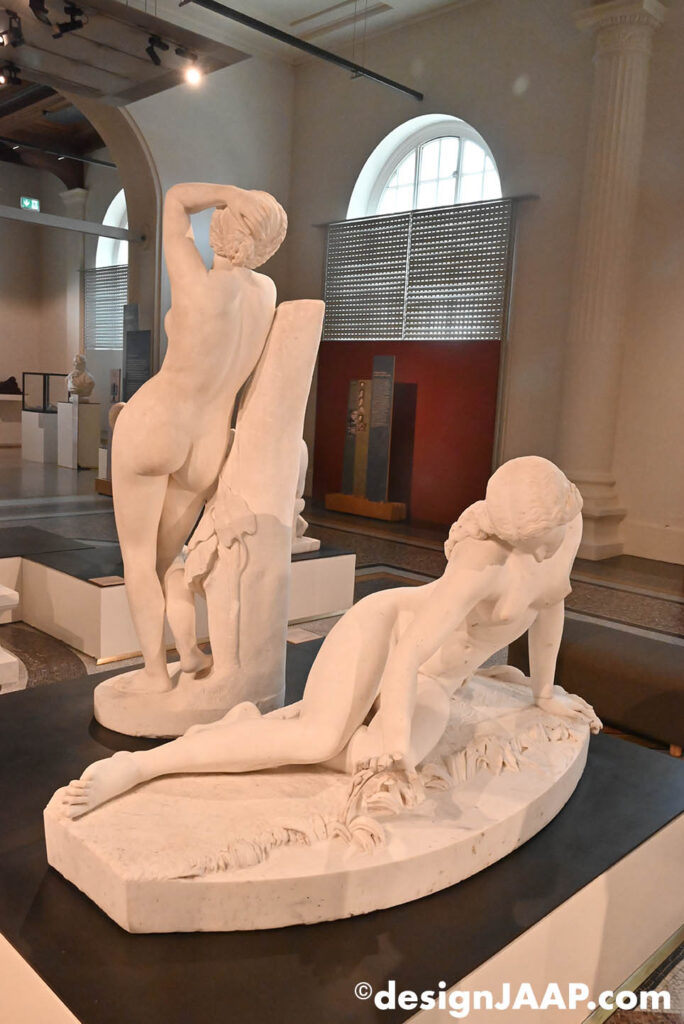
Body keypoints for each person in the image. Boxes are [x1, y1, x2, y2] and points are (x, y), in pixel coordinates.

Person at [62, 456, 601, 818]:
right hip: (386, 636)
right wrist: (395, 738)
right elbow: (408, 653)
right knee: (319, 742)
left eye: (548, 535)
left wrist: (543, 694)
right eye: (533, 542)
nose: (547, 549)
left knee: (379, 767)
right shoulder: (483, 564)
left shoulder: (565, 522)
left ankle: (252, 728)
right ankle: (138, 767)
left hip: (435, 682)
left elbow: (550, 604)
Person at [110, 183, 286, 694]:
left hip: (156, 422)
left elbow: (175, 201)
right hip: (208, 446)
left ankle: (154, 674)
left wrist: (229, 191)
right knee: (169, 560)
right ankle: (187, 650)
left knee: (138, 560)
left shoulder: (200, 284)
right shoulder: (266, 295)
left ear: (222, 228)